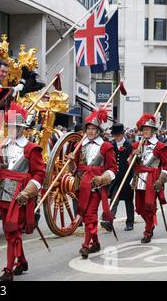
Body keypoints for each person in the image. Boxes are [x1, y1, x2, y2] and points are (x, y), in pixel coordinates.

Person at [0, 110, 46, 281]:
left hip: (20, 195)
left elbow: (40, 174)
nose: (12, 130)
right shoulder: (3, 146)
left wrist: (27, 192)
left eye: (15, 127)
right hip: (3, 194)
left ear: (22, 129)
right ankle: (21, 262)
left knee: (12, 230)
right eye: (9, 127)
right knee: (9, 231)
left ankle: (8, 270)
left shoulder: (31, 149)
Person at [67, 109, 117, 259]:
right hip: (82, 184)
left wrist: (102, 178)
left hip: (96, 185)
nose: (90, 131)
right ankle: (95, 243)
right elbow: (74, 169)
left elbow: (113, 168)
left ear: (98, 131)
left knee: (90, 215)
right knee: (85, 213)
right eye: (88, 128)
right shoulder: (79, 146)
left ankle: (86, 245)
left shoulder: (106, 146)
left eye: (93, 129)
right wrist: (70, 161)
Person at [131, 114, 167, 243]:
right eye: (144, 129)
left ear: (153, 131)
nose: (145, 131)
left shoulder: (159, 146)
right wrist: (134, 157)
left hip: (152, 179)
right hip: (139, 177)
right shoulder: (137, 145)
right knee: (139, 207)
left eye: (148, 129)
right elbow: (130, 164)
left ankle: (148, 231)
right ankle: (150, 222)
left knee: (149, 205)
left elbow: (166, 165)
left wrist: (161, 180)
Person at [101, 123, 135, 232]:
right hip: (115, 178)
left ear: (122, 134)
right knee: (114, 199)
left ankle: (130, 222)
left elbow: (133, 163)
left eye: (118, 135)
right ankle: (109, 222)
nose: (116, 137)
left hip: (126, 177)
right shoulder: (111, 145)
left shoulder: (129, 145)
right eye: (114, 135)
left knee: (128, 200)